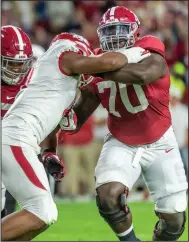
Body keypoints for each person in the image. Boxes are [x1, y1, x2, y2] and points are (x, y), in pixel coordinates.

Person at [2, 30, 149, 241]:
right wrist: (138, 51)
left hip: (17, 140)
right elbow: (107, 63)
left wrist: (50, 151)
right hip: (15, 139)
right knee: (42, 211)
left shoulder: (57, 79)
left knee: (39, 217)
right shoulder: (64, 55)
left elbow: (50, 123)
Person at [60, 7, 188, 241]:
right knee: (108, 196)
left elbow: (145, 73)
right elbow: (80, 114)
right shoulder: (96, 61)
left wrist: (99, 70)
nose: (114, 36)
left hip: (161, 141)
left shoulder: (147, 48)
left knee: (174, 221)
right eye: (108, 31)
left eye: (120, 29)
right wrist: (58, 119)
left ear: (135, 32)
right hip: (121, 141)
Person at [1, 25, 63, 219]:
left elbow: (49, 123)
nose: (17, 70)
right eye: (10, 64)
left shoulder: (35, 82)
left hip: (13, 148)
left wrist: (49, 152)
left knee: (35, 210)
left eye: (21, 64)